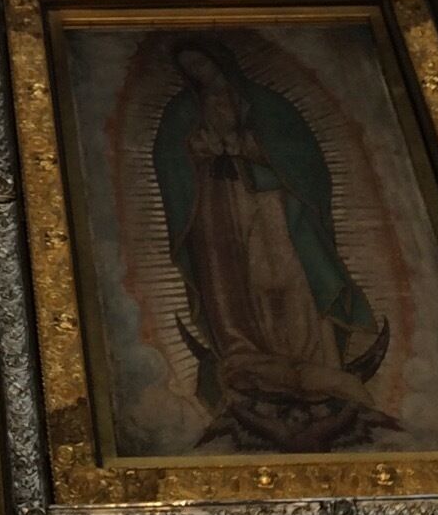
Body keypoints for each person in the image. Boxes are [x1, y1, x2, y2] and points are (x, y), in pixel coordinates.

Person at [152, 36, 394, 452]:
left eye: (203, 65)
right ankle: (247, 356)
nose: (199, 75)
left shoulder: (266, 105)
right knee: (231, 285)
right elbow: (169, 158)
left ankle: (314, 360)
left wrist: (252, 148)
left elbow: (304, 159)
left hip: (271, 203)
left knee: (288, 275)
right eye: (190, 70)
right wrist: (197, 151)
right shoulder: (182, 112)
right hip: (215, 209)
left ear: (220, 60)